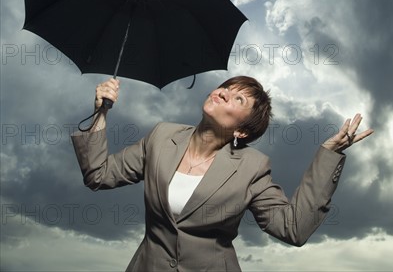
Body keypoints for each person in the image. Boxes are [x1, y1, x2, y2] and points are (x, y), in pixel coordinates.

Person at [71, 76, 374, 272]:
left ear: (241, 130)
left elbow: (292, 228)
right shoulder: (162, 137)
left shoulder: (252, 167)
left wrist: (329, 155)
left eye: (238, 99)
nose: (223, 93)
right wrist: (101, 112)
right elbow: (99, 175)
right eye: (226, 88)